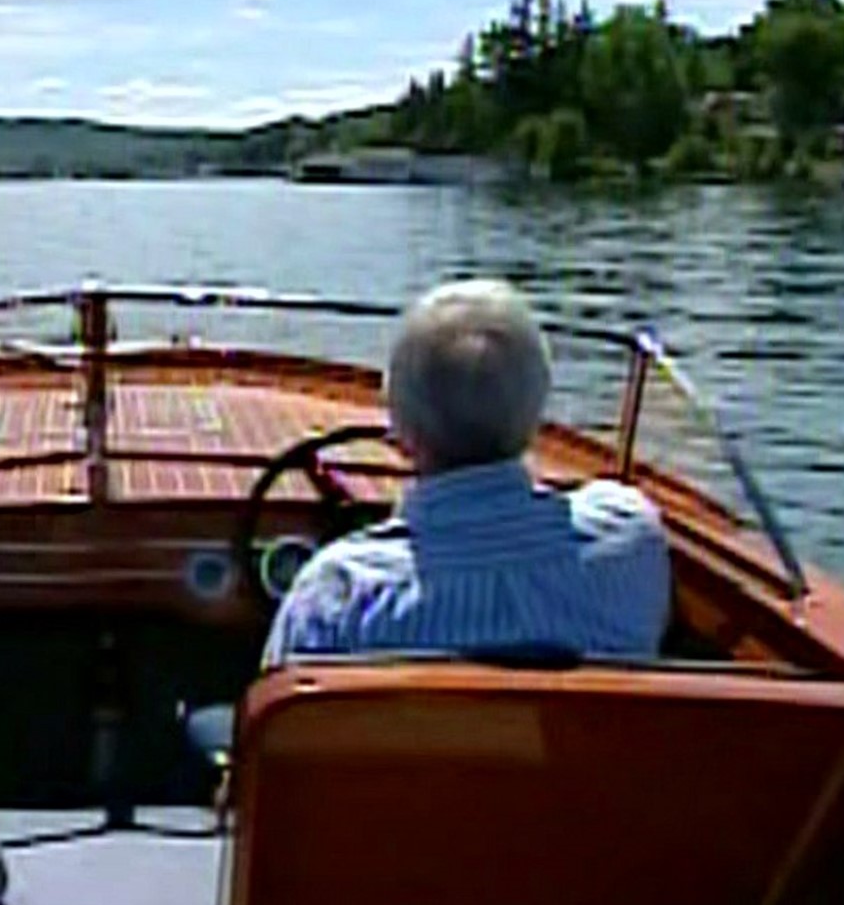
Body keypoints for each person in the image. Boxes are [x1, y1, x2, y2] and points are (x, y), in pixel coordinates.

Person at [260, 278, 672, 666]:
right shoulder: (631, 537)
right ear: (537, 414)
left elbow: (275, 731)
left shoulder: (338, 594)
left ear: (401, 431)